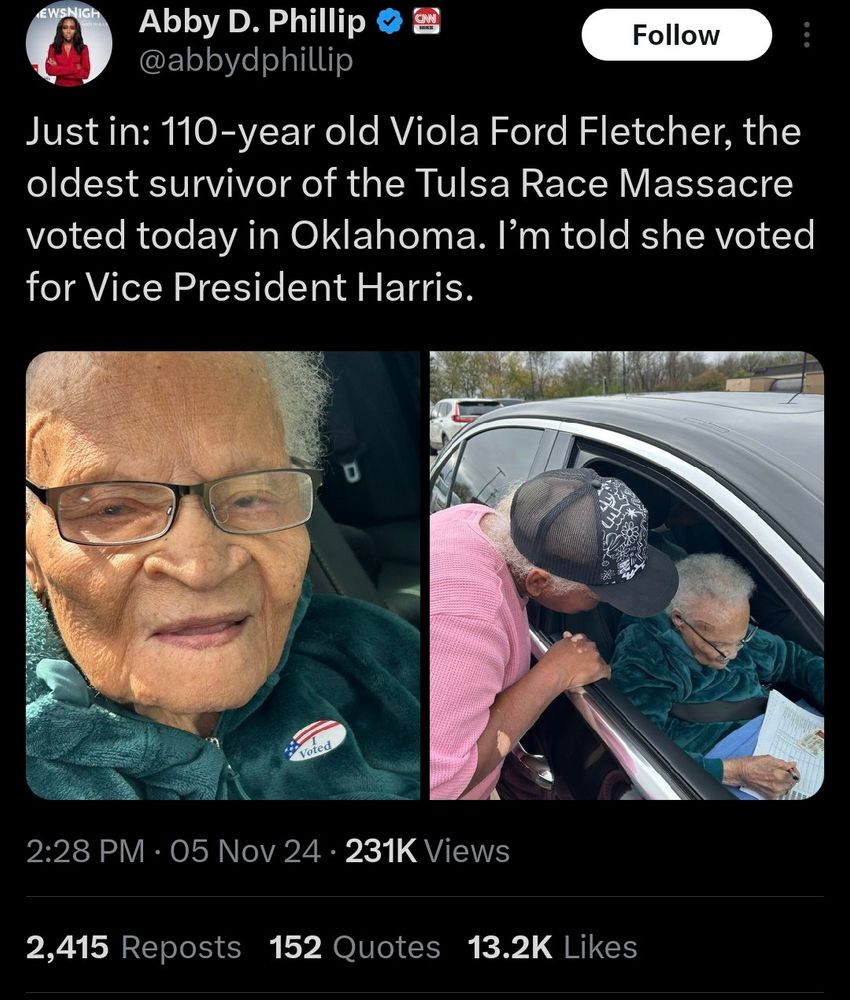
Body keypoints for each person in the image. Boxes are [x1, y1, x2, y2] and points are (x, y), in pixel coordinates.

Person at [25, 352, 419, 800]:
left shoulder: (376, 654)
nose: (202, 568)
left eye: (250, 497)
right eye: (113, 509)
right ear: (31, 554)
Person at [430, 468, 679, 799]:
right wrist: (556, 672)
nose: (602, 605)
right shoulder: (473, 616)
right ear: (538, 582)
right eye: (597, 596)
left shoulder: (476, 520)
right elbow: (443, 781)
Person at [610, 553, 823, 799]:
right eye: (721, 646)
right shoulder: (644, 653)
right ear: (679, 619)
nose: (732, 654)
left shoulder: (730, 629)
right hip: (713, 770)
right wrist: (738, 771)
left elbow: (797, 660)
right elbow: (642, 749)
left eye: (741, 640)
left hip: (783, 734)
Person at [45, 17, 90, 87]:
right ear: (61, 30)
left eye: (72, 28)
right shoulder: (53, 47)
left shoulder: (83, 48)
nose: (68, 31)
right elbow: (50, 70)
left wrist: (58, 67)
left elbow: (85, 74)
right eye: (65, 27)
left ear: (76, 30)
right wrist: (76, 68)